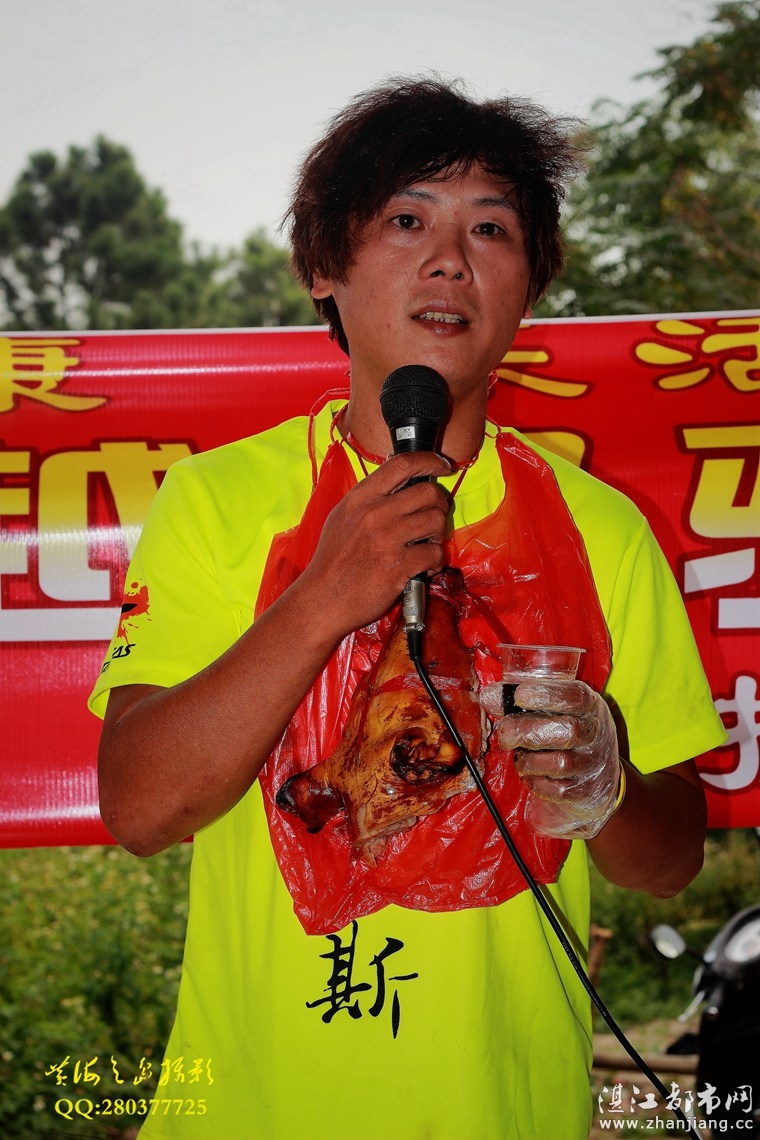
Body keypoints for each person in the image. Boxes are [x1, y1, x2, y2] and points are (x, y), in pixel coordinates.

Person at [89, 77, 726, 1139]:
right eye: (404, 221)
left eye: (491, 229)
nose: (449, 260)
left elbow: (668, 865)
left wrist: (604, 776)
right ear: (323, 269)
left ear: (530, 287)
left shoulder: (604, 530)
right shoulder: (217, 499)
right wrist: (322, 598)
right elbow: (142, 810)